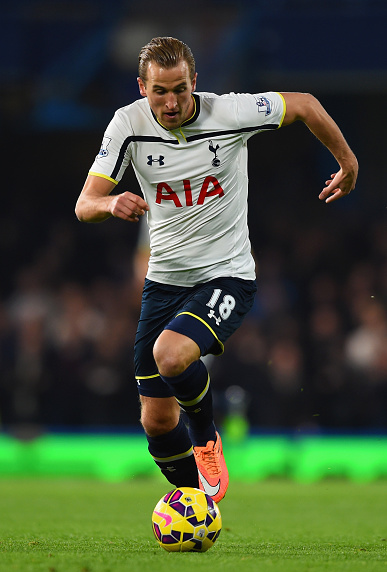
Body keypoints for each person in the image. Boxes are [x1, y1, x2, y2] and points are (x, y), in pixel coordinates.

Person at [75, 36, 358, 502]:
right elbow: (85, 204)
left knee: (171, 355)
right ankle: (196, 504)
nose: (171, 102)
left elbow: (305, 104)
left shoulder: (230, 112)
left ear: (195, 83)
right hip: (163, 281)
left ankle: (206, 437)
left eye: (180, 89)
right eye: (160, 91)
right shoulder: (126, 124)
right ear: (142, 87)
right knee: (156, 420)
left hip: (226, 275)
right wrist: (110, 201)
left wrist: (346, 163)